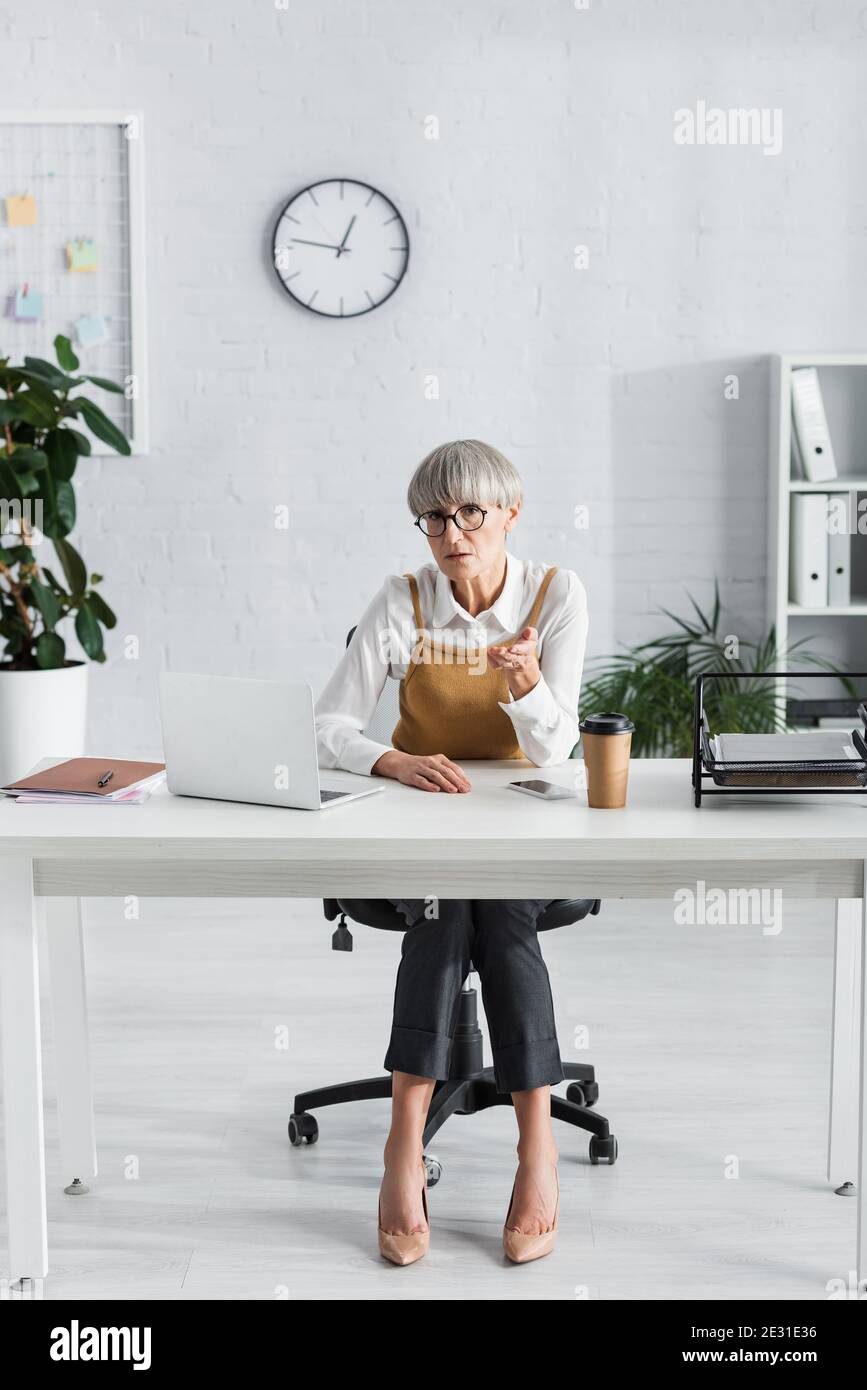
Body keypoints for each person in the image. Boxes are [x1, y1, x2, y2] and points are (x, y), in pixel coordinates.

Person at [315, 439, 588, 1264]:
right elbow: (326, 726)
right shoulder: (402, 600)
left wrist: (525, 685)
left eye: (471, 512)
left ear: (509, 512)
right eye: (434, 516)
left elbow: (558, 753)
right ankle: (406, 1143)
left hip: (522, 831)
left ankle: (532, 1149)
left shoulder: (555, 593)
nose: (452, 532)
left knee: (497, 908)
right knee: (444, 907)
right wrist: (391, 758)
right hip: (420, 831)